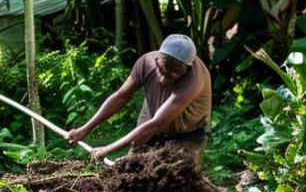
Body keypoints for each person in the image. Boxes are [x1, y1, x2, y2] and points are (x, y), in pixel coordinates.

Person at [67, 34, 212, 164]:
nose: (162, 79)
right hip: (149, 125)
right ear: (157, 58)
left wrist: (109, 148)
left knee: (178, 179)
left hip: (186, 135)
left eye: (173, 73)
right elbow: (120, 97)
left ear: (188, 67)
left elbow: (158, 122)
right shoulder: (146, 62)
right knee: (133, 169)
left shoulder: (194, 81)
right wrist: (85, 129)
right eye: (162, 69)